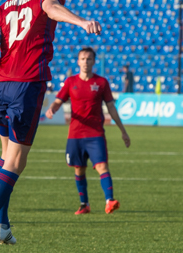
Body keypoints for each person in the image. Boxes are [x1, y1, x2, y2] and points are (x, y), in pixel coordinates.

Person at [0, 0, 103, 253]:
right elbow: (51, 9)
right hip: (27, 84)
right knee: (16, 162)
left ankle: (2, 225)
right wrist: (80, 22)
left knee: (5, 157)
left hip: (0, 85)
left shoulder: (1, 9)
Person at [46, 47, 131, 215]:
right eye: (83, 59)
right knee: (79, 170)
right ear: (78, 61)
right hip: (75, 135)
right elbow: (58, 100)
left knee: (102, 166)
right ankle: (84, 204)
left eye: (89, 59)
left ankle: (109, 200)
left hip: (95, 135)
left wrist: (123, 130)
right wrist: (52, 109)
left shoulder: (101, 83)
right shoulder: (71, 82)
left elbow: (111, 108)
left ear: (94, 62)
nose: (86, 62)